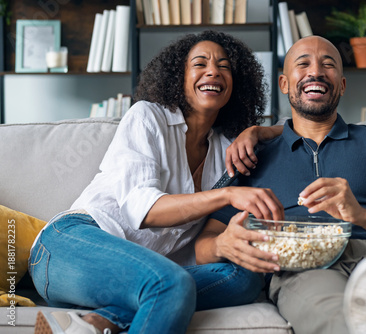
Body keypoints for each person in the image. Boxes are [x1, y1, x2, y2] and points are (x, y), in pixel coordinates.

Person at [195, 35, 366, 334]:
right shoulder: (252, 155)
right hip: (303, 266)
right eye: (303, 64)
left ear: (342, 84)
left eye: (328, 64)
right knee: (337, 320)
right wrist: (224, 244)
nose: (315, 72)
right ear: (284, 84)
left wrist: (359, 215)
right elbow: (203, 245)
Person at [30, 30, 285, 334]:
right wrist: (227, 195)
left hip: (140, 274)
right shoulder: (147, 116)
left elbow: (301, 128)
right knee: (171, 284)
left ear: (236, 84)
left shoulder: (226, 151)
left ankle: (99, 320)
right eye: (200, 64)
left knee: (243, 279)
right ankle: (148, 298)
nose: (213, 71)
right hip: (70, 245)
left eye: (224, 66)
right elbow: (145, 210)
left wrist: (258, 131)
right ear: (179, 76)